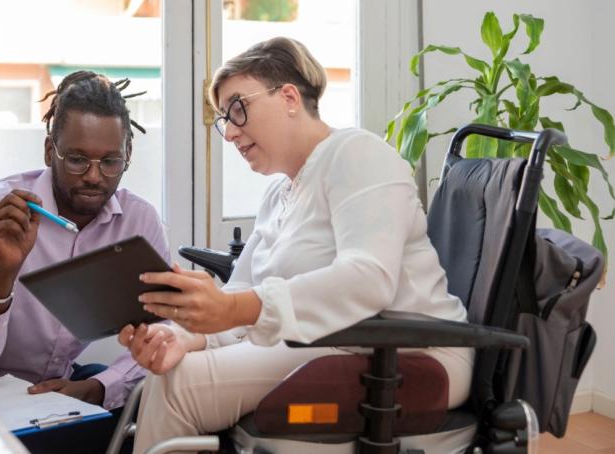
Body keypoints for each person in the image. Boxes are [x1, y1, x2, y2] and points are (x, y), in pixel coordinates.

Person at [118, 37, 474, 453]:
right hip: (328, 346)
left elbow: (367, 280)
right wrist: (187, 337)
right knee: (172, 367)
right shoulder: (278, 196)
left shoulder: (358, 154)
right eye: (224, 120)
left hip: (408, 357)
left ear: (288, 96)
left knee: (180, 385)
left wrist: (233, 309)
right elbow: (240, 291)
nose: (230, 132)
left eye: (237, 108)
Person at [0, 71, 170, 417]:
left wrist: (98, 388)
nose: (93, 176)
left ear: (128, 155)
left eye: (110, 161)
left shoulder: (138, 221)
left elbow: (166, 328)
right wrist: (4, 273)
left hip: (47, 390)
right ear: (49, 151)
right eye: (76, 159)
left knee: (135, 397)